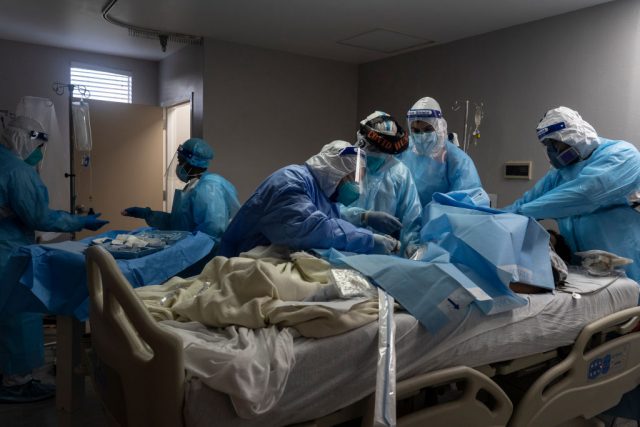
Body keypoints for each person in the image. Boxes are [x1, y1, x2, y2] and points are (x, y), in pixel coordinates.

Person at [0, 116, 108, 402]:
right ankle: (17, 382)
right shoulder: (16, 171)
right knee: (17, 314)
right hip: (6, 253)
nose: (38, 152)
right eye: (37, 144)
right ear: (24, 138)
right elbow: (38, 216)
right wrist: (79, 222)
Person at [505, 106, 640, 282]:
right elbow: (526, 202)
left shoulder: (622, 154)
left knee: (629, 302)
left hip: (624, 265)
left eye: (555, 143)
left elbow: (585, 195)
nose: (552, 151)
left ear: (574, 136)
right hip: (582, 268)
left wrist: (522, 213)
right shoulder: (558, 174)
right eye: (547, 145)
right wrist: (494, 218)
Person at [218, 140, 400, 257]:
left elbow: (332, 216)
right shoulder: (290, 182)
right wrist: (368, 239)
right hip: (246, 259)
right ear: (335, 172)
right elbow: (314, 228)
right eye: (352, 178)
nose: (355, 186)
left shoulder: (321, 189)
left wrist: (364, 217)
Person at [122, 138, 240, 246]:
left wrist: (186, 249)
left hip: (202, 256)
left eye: (180, 161)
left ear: (192, 162)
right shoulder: (194, 186)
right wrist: (147, 214)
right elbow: (178, 224)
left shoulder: (208, 188)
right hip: (192, 250)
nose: (178, 166)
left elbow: (213, 230)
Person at [340, 111, 423, 257]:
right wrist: (363, 217)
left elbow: (412, 218)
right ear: (362, 139)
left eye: (381, 151)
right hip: (341, 247)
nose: (377, 154)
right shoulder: (343, 164)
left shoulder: (400, 174)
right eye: (373, 149)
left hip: (382, 257)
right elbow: (326, 209)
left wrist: (411, 246)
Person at [399, 97, 482, 207]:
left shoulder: (457, 160)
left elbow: (466, 204)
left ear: (439, 127)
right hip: (404, 222)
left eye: (428, 130)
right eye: (416, 131)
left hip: (441, 221)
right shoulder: (403, 151)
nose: (422, 136)